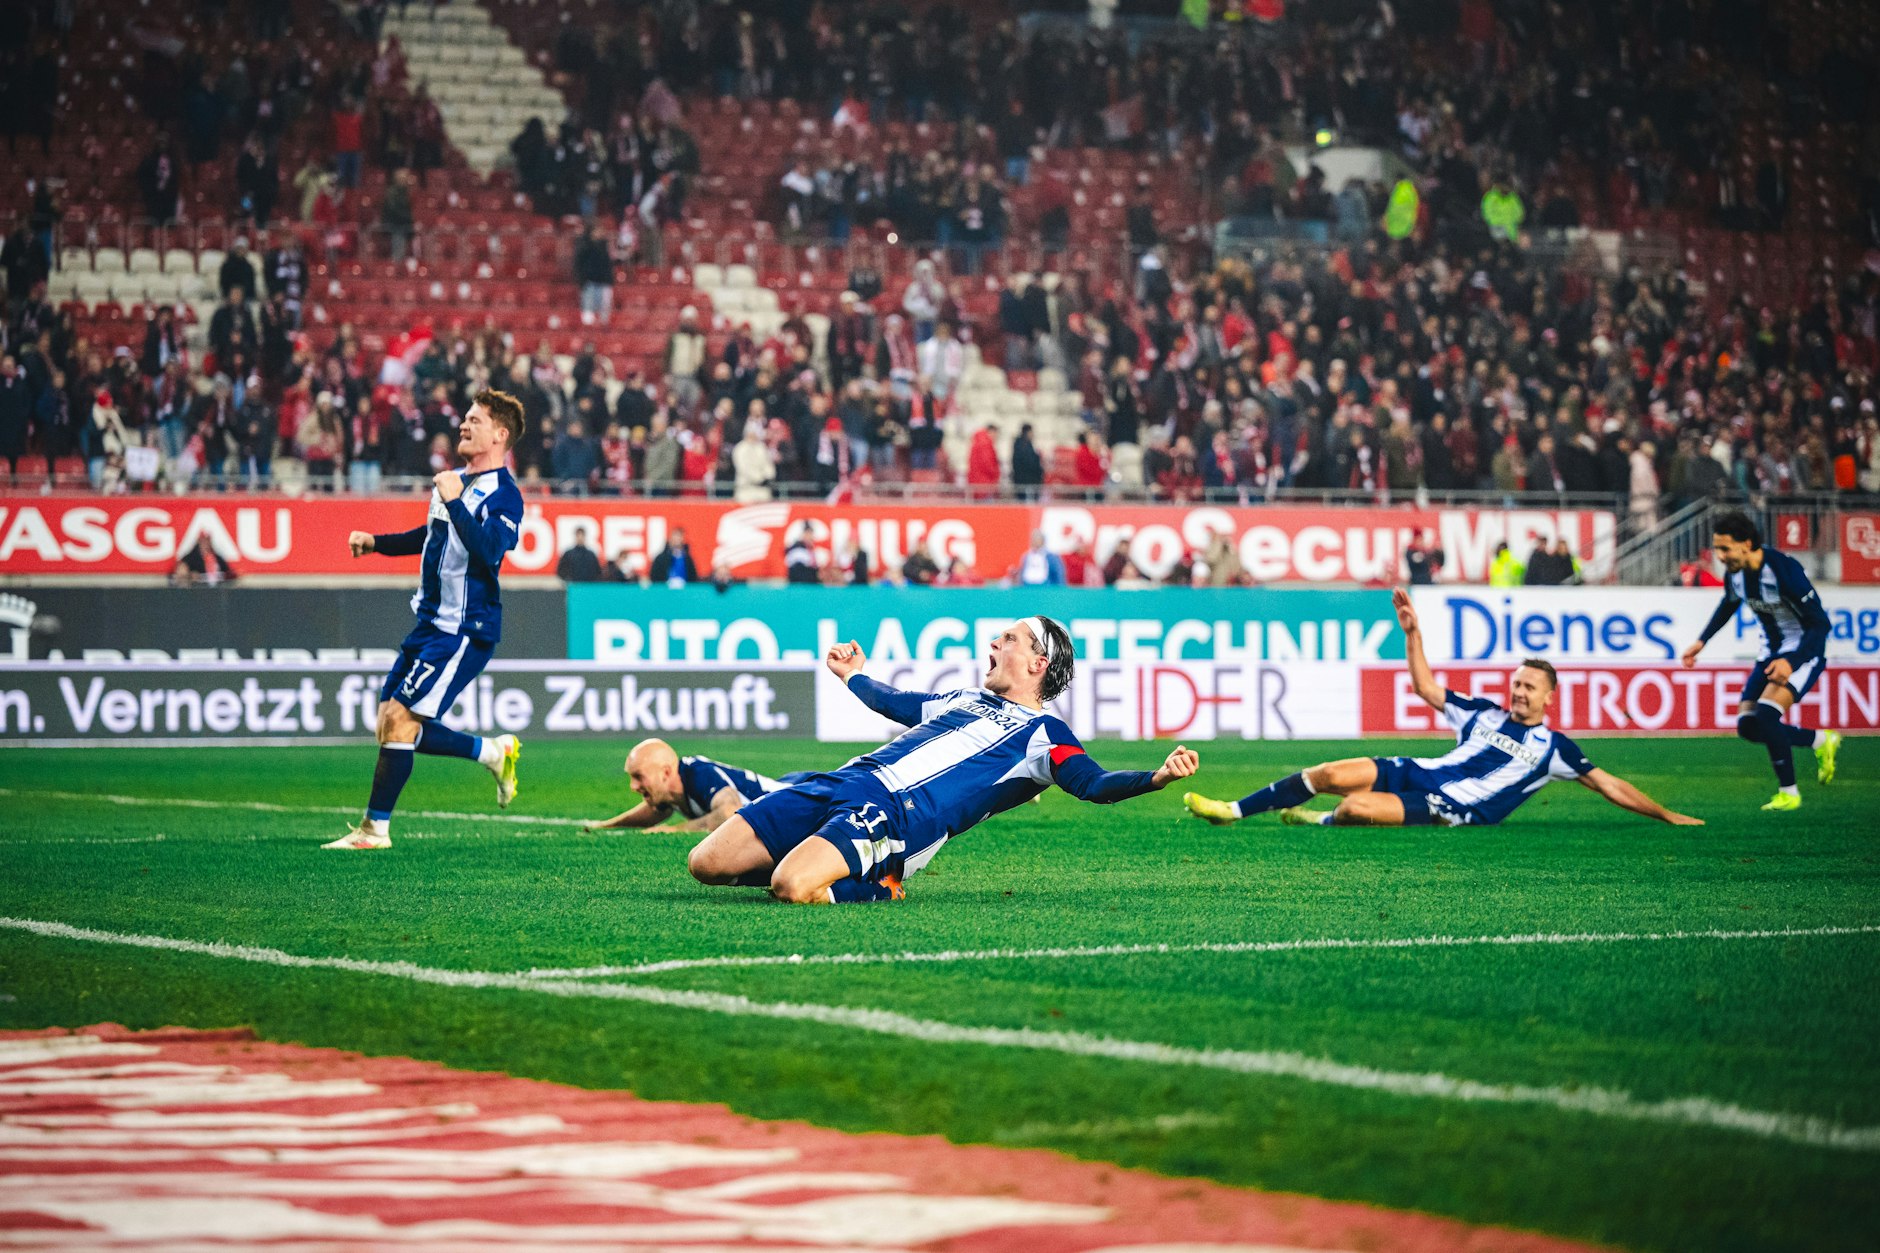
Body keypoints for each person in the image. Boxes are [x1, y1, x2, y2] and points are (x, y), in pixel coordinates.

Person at [683, 617, 1201, 903]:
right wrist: (852, 675)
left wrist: (1155, 777)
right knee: (705, 864)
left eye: (1009, 639)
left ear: (1038, 663)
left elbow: (1093, 783)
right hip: (844, 780)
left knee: (791, 887)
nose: (994, 642)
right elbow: (894, 701)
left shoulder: (1045, 736)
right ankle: (818, 856)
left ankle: (881, 884)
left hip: (893, 816)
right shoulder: (963, 698)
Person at [1184, 589, 1701, 830]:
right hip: (1418, 771)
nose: (1519, 692)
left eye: (1529, 687)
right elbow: (1427, 688)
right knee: (1329, 773)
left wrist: (1666, 814)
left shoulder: (1554, 749)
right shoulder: (1483, 713)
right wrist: (1413, 634)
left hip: (1453, 807)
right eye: (1516, 683)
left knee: (1356, 809)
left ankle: (1320, 820)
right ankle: (1231, 811)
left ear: (1549, 697)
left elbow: (1610, 785)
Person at [325, 390, 528, 850]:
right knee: (388, 725)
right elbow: (431, 535)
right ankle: (492, 752)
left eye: (475, 420)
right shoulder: (453, 482)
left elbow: (489, 550)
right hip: (429, 624)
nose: (463, 425)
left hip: (465, 629)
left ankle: (374, 831)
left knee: (400, 722)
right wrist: (377, 543)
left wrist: (455, 502)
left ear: (500, 435)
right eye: (465, 417)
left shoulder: (505, 495)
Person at [1679, 511, 1840, 811]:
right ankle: (1819, 740)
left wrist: (1792, 662)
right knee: (1748, 727)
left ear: (1747, 544)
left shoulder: (1783, 571)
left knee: (1766, 716)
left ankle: (1789, 793)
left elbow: (1820, 625)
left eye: (1725, 548)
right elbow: (1728, 604)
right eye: (1717, 548)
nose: (1720, 556)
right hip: (1769, 655)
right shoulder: (1735, 574)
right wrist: (1702, 641)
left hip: (1803, 652)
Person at [579, 738, 805, 833]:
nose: (633, 786)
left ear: (666, 772)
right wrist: (606, 826)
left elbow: (728, 812)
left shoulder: (699, 773)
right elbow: (655, 811)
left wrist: (674, 830)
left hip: (796, 799)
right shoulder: (671, 791)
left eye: (639, 776)